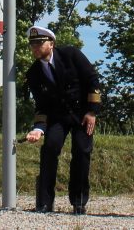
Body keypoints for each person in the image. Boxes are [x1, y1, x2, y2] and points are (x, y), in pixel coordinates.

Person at [24, 26, 102, 215]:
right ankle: (44, 203)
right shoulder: (33, 74)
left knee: (81, 152)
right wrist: (38, 129)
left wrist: (92, 112)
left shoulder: (71, 55)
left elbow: (93, 80)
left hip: (82, 114)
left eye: (39, 43)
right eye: (32, 44)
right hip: (58, 117)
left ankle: (79, 201)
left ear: (51, 44)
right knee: (49, 150)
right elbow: (41, 106)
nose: (35, 48)